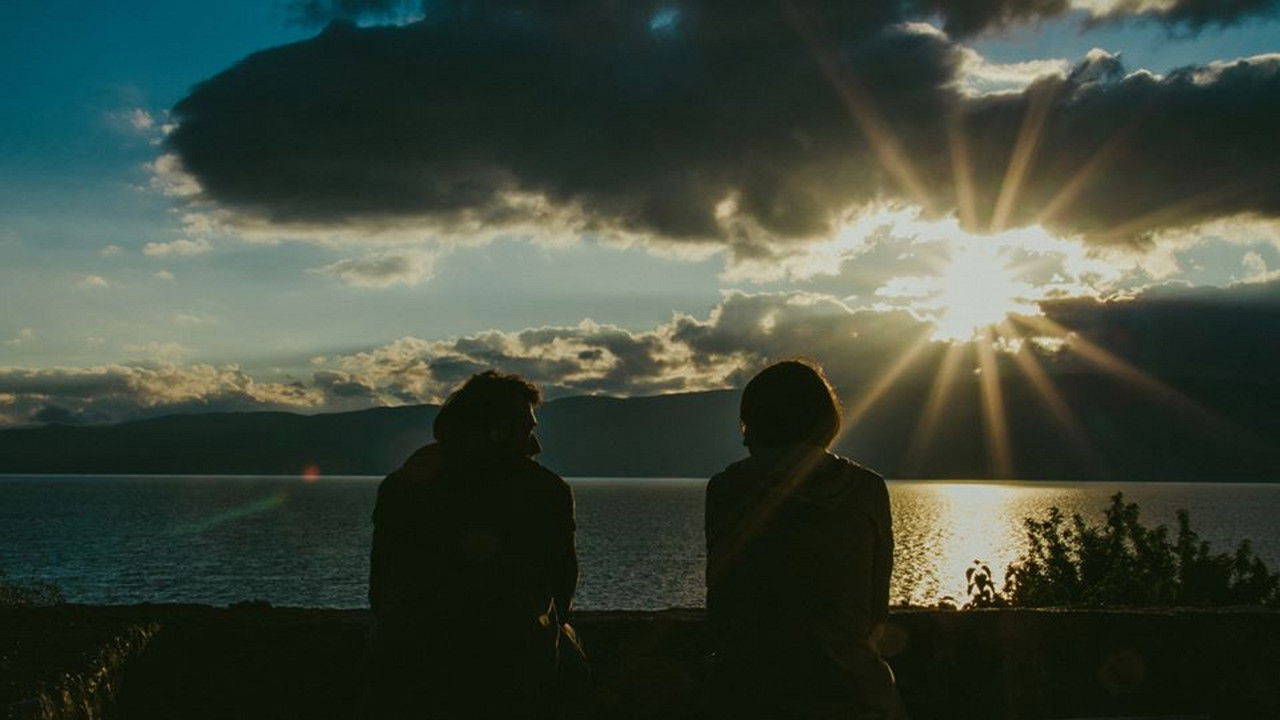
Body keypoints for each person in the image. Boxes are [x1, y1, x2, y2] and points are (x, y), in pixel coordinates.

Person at [366, 370, 582, 720]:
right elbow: (561, 587)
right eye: (525, 430)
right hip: (515, 676)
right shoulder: (546, 493)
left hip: (413, 674)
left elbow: (381, 590)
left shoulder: (402, 488)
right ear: (495, 432)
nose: (536, 447)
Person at [704, 360, 905, 719]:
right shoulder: (868, 490)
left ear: (759, 424)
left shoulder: (729, 490)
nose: (744, 437)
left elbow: (722, 607)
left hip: (755, 694)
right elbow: (876, 611)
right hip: (857, 695)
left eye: (747, 425)